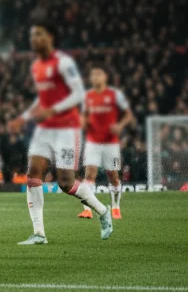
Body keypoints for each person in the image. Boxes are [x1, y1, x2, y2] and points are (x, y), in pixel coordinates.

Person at [7, 23, 112, 244]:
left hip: (66, 128)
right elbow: (41, 100)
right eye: (32, 35)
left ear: (50, 37)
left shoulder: (63, 63)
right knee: (33, 175)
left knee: (66, 183)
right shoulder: (36, 67)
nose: (34, 39)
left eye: (39, 35)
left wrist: (54, 109)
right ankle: (39, 234)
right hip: (45, 129)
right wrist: (23, 118)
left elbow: (78, 94)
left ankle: (103, 211)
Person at [77, 66, 134, 221]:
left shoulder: (115, 95)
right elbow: (84, 116)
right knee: (89, 175)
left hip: (111, 143)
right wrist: (83, 122)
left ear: (105, 77)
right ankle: (87, 209)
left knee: (113, 176)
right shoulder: (87, 96)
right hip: (92, 142)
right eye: (93, 75)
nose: (95, 78)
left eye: (98, 74)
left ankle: (115, 207)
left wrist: (120, 126)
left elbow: (128, 114)